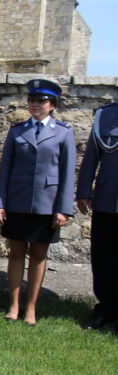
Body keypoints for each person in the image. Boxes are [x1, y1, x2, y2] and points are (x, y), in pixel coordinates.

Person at [0, 78, 75, 326]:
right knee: (16, 252)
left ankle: (31, 307)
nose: (35, 104)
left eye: (41, 101)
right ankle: (14, 304)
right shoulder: (18, 131)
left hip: (46, 203)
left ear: (52, 105)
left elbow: (67, 173)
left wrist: (63, 209)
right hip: (17, 201)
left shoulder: (63, 132)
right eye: (31, 100)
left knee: (39, 254)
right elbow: (5, 168)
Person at [76, 102, 118, 330]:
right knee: (103, 257)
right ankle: (106, 308)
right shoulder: (105, 115)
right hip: (107, 200)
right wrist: (84, 191)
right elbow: (92, 155)